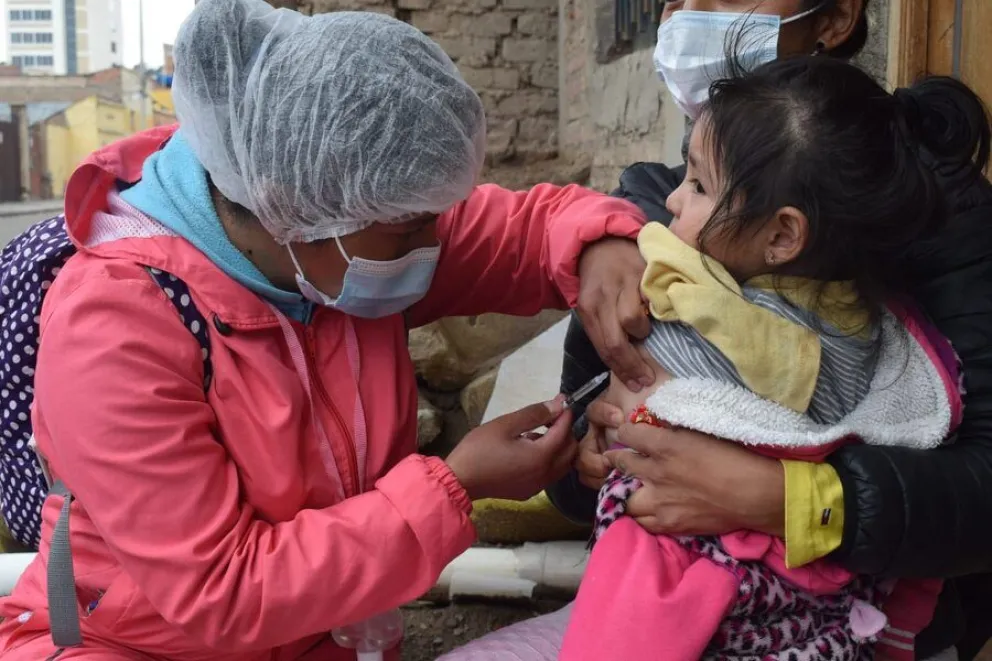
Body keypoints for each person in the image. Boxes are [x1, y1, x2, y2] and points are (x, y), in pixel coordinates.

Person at [0, 1, 652, 659]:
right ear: (293, 208)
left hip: (327, 632)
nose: (434, 243)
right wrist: (457, 488)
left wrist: (600, 244)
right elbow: (224, 590)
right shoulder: (114, 326)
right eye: (411, 226)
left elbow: (529, 230)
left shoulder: (342, 241)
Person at [549, 1, 992, 659]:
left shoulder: (948, 230)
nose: (686, 11)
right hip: (667, 605)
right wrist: (590, 456)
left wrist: (792, 499)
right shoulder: (650, 223)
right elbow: (571, 451)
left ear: (837, 19)